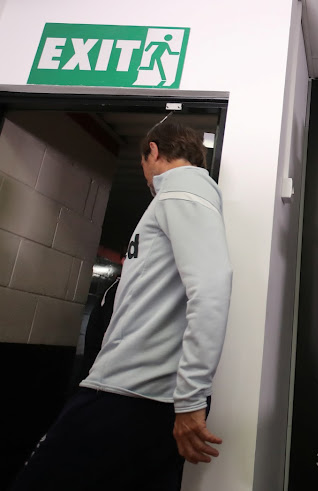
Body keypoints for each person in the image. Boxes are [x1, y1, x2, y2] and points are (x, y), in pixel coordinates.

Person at [11, 121, 233, 491]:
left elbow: (212, 287)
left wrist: (192, 397)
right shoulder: (173, 199)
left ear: (154, 151)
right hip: (135, 394)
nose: (144, 174)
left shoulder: (182, 192)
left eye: (143, 162)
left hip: (129, 393)